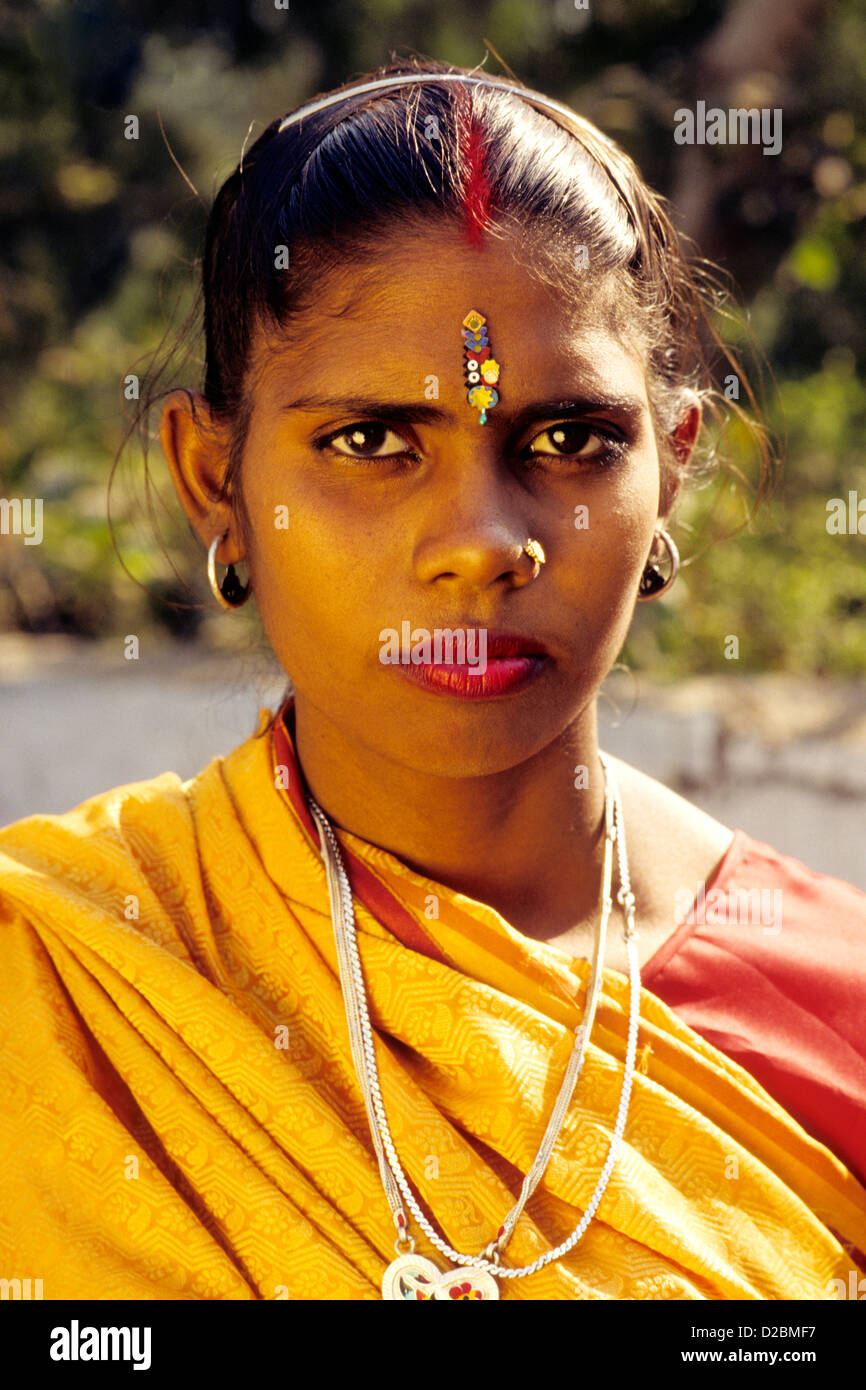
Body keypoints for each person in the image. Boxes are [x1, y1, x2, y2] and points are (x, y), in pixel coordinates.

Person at [1, 57, 864, 1302]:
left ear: (669, 469)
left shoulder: (824, 1005)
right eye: (368, 441)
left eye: (569, 441)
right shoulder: (73, 974)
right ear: (214, 481)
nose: (478, 541)